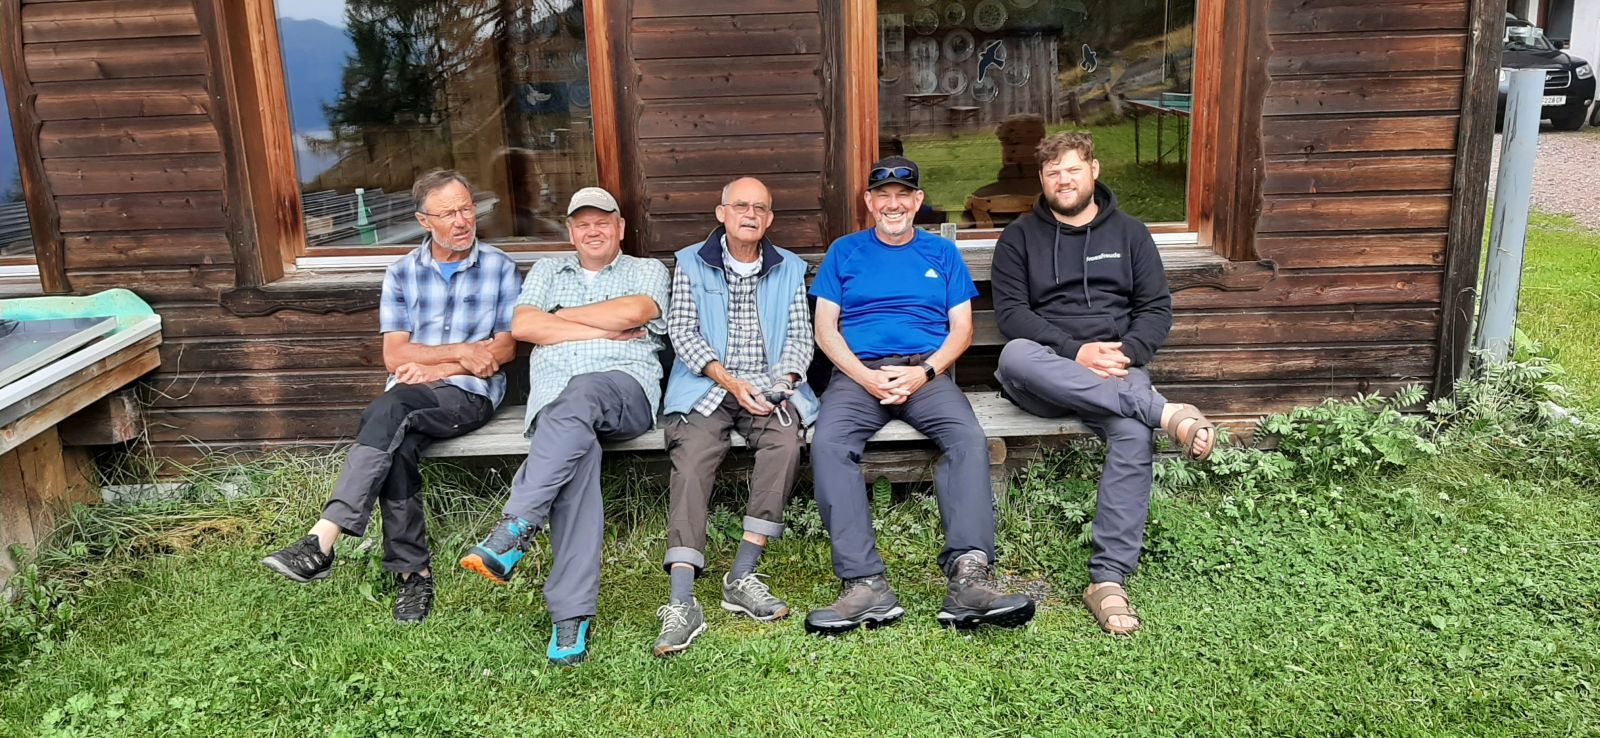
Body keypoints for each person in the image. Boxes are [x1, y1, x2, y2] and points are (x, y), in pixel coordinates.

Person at [261, 170, 519, 625]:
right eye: (448, 214)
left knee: (390, 410)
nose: (462, 221)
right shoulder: (401, 273)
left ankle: (323, 538)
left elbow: (502, 351)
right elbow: (395, 355)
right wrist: (462, 350)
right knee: (396, 441)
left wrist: (441, 367)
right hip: (407, 396)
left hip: (468, 394)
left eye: (467, 208)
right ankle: (413, 575)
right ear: (424, 221)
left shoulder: (499, 267)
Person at [990, 131, 1217, 636]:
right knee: (1014, 354)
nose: (1063, 180)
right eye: (1053, 173)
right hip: (1045, 374)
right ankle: (1162, 412)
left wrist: (1126, 353)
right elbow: (1012, 315)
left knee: (1132, 433)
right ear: (1042, 180)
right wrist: (1077, 352)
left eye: (1072, 169)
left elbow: (1155, 309)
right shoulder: (1019, 238)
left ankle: (1107, 581)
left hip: (1116, 370)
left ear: (1093, 170)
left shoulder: (1131, 234)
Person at [803, 156, 1036, 635]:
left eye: (903, 196)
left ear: (918, 201)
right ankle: (864, 583)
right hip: (857, 374)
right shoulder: (844, 252)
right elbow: (825, 329)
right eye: (883, 196)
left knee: (967, 439)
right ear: (869, 202)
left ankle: (969, 578)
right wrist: (865, 377)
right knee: (828, 444)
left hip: (925, 374)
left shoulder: (941, 253)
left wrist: (924, 372)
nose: (893, 204)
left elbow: (962, 329)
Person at [458, 186, 670, 666]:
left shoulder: (646, 271)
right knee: (575, 454)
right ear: (571, 232)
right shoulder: (548, 270)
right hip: (557, 409)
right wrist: (600, 328)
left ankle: (516, 527)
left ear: (620, 228)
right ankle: (570, 618)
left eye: (603, 222)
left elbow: (635, 312)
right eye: (583, 224)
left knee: (582, 392)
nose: (593, 231)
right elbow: (524, 327)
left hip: (624, 391)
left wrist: (558, 317)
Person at [651, 177, 817, 656]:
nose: (750, 214)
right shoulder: (690, 262)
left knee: (786, 444)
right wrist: (730, 382)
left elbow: (799, 339)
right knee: (692, 459)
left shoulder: (788, 268)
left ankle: (742, 574)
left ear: (769, 219)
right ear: (721, 213)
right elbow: (683, 333)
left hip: (767, 385)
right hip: (707, 384)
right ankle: (682, 600)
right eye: (741, 206)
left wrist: (782, 384)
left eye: (760, 208)